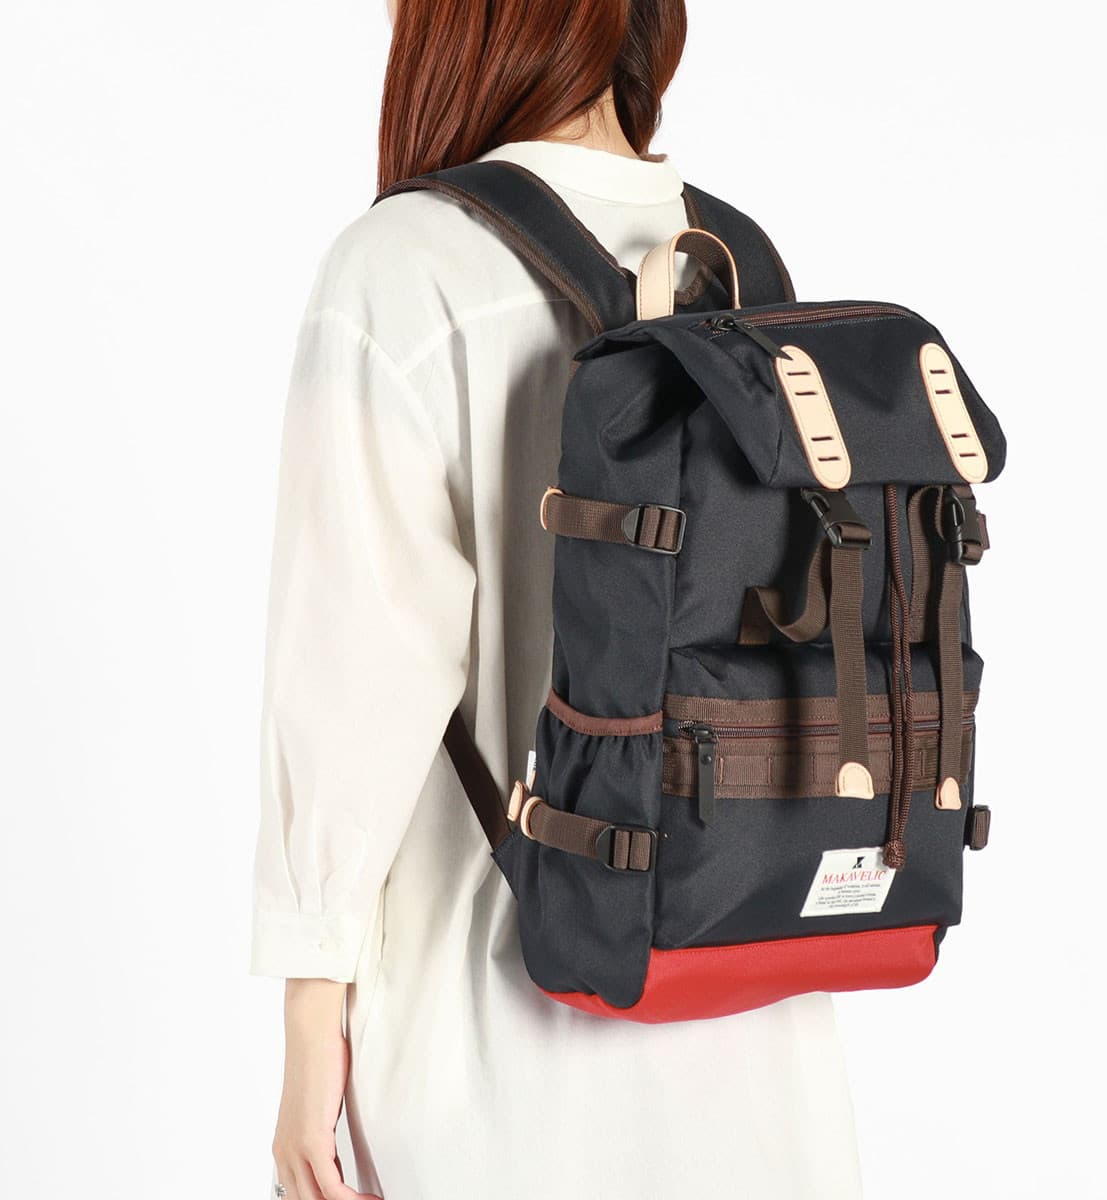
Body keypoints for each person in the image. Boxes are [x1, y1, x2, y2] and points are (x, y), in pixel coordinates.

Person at [252, 2, 863, 1196]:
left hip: (500, 1046)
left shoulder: (405, 265)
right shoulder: (739, 262)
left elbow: (351, 675)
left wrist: (309, 1020)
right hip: (761, 1032)